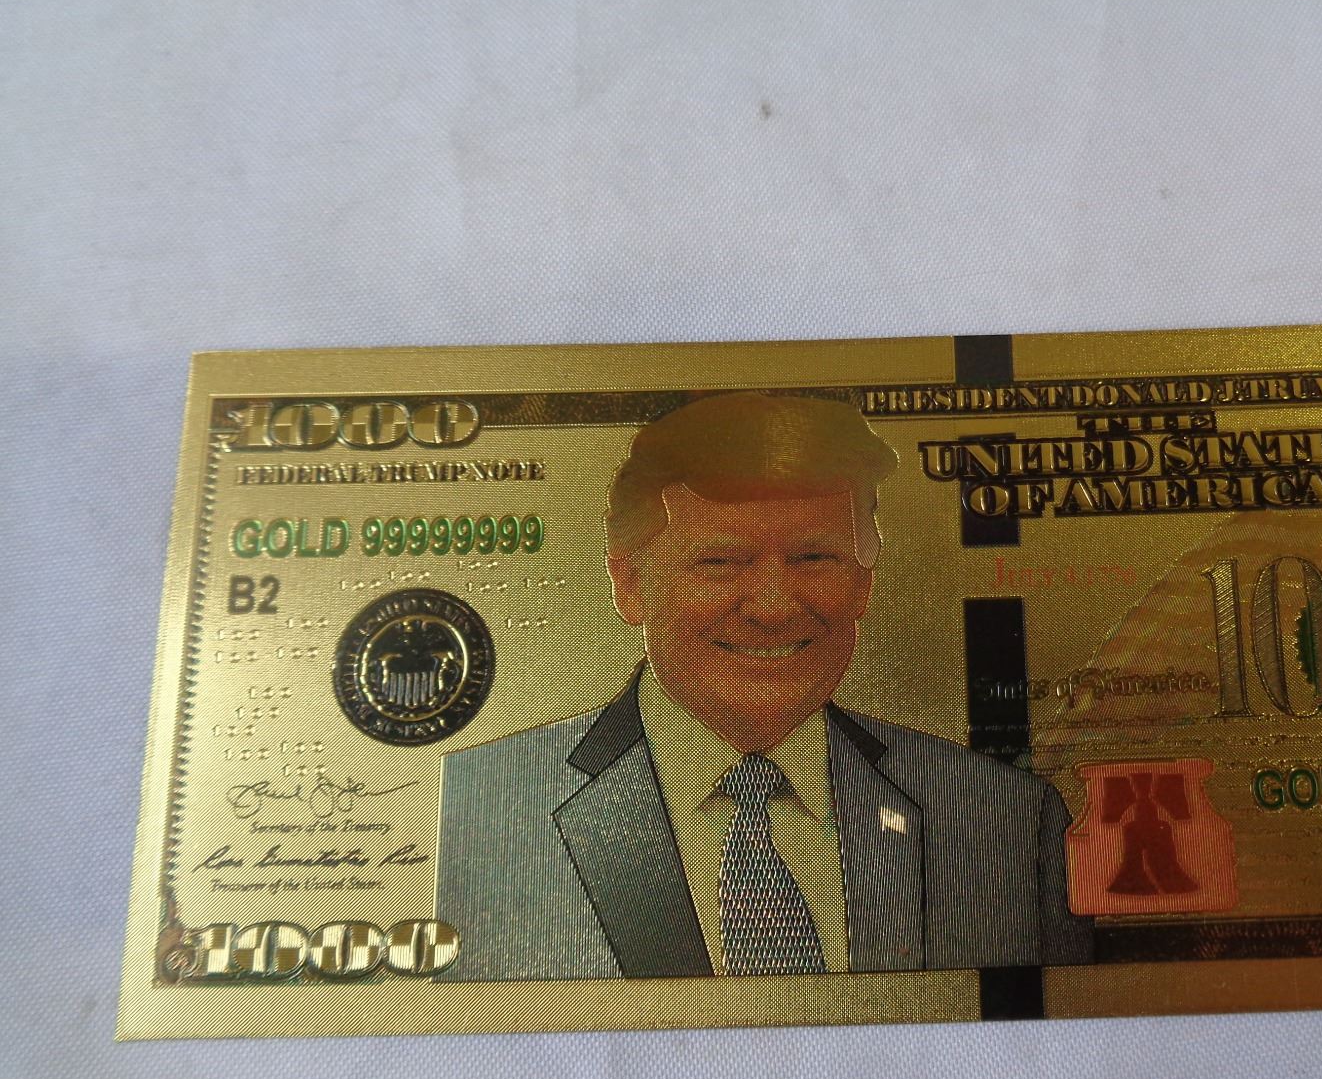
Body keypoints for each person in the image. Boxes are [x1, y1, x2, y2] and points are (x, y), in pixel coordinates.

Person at [436, 392, 1093, 979]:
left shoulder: (1005, 819)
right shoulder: (476, 811)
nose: (774, 607)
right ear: (630, 584)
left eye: (814, 558)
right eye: (722, 562)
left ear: (863, 582)